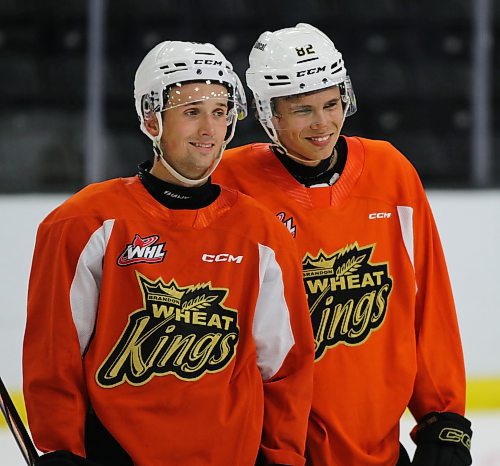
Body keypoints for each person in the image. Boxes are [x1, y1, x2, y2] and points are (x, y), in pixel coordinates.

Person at [23, 40, 315, 466]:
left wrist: (283, 456)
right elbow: (55, 355)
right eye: (191, 112)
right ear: (151, 120)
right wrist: (62, 450)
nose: (208, 131)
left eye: (219, 113)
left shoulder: (260, 231)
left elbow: (285, 365)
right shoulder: (85, 223)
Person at [213, 23, 473, 466]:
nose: (323, 123)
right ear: (266, 113)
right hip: (271, 450)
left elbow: (427, 301)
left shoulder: (389, 172)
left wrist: (442, 419)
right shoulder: (227, 182)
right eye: (302, 110)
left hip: (380, 450)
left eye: (332, 104)